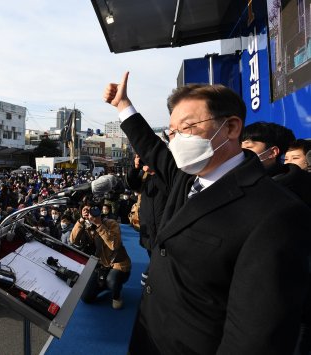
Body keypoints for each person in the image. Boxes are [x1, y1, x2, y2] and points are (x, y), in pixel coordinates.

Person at [103, 72, 311, 354]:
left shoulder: (276, 213)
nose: (176, 141)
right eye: (172, 132)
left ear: (231, 127)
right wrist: (123, 105)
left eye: (187, 127)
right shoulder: (186, 177)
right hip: (149, 338)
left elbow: (256, 336)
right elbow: (151, 146)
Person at [70, 205, 131, 309]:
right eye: (86, 210)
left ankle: (116, 294)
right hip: (101, 265)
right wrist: (80, 221)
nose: (89, 213)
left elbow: (114, 245)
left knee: (112, 280)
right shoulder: (86, 226)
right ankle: (105, 285)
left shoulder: (111, 223)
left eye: (92, 210)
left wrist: (99, 224)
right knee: (86, 297)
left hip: (118, 264)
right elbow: (73, 241)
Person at [241, 122, 311, 206]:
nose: (241, 152)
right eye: (239, 147)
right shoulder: (242, 181)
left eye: (248, 147)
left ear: (272, 152)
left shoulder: (292, 189)